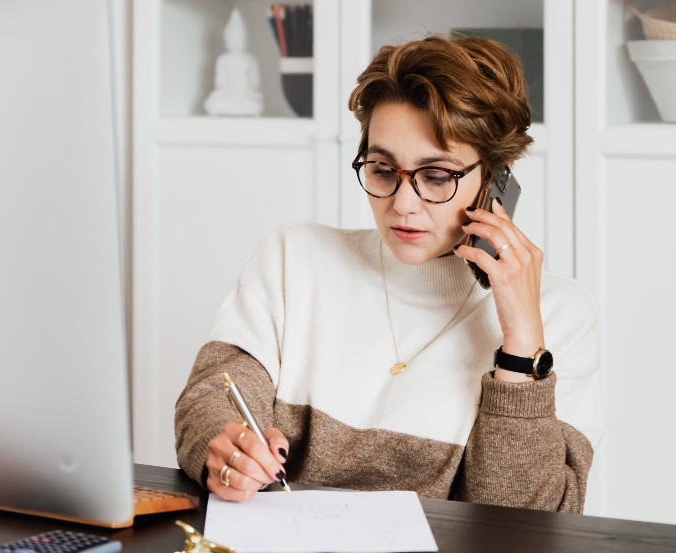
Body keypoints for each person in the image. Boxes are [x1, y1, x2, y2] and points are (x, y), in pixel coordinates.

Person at [176, 34, 603, 512]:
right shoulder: (293, 259)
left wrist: (521, 348)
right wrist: (226, 445)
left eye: (437, 176)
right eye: (382, 169)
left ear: (497, 180)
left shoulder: (559, 314)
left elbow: (525, 523)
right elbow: (212, 400)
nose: (402, 205)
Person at [204, 7, 264, 117]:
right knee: (211, 104)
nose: (236, 41)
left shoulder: (250, 59)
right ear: (227, 39)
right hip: (227, 96)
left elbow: (256, 84)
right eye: (233, 38)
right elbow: (220, 84)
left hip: (246, 97)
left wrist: (247, 91)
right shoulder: (223, 60)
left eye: (239, 38)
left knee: (256, 105)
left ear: (245, 39)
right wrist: (225, 92)